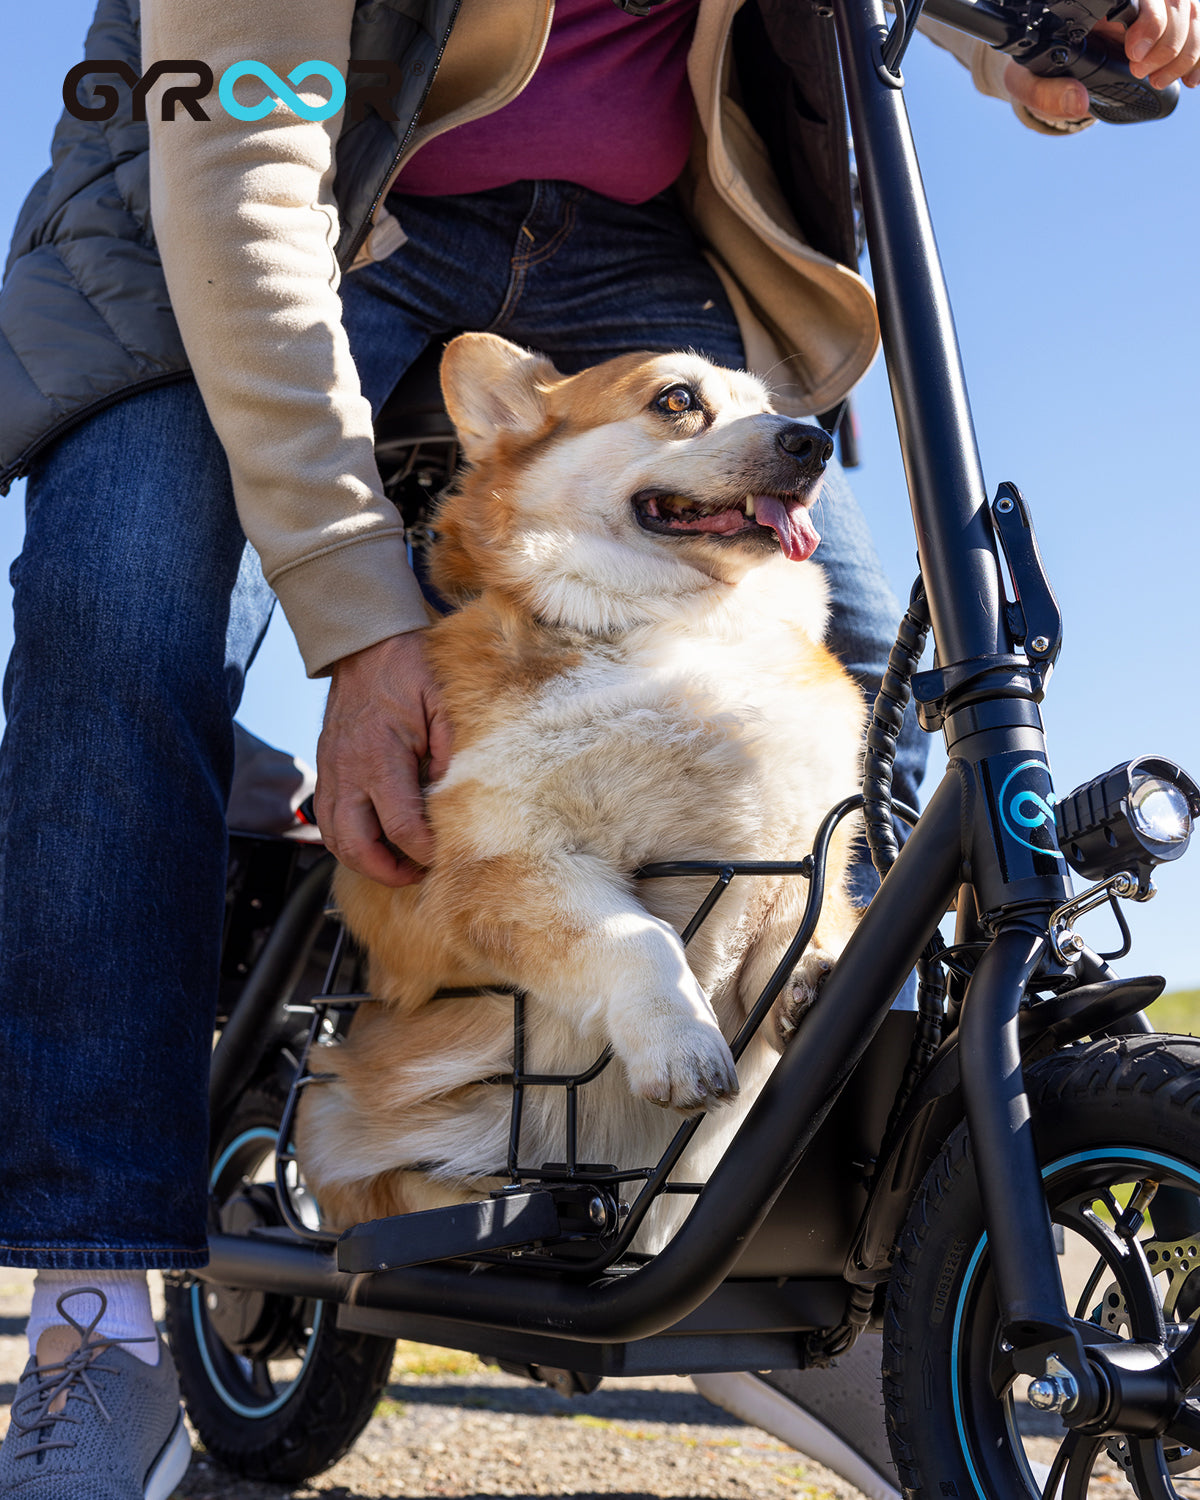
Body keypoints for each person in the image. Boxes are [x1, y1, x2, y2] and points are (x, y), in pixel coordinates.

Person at [0, 1, 1196, 1496]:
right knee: (117, 609)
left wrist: (1033, 27)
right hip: (281, 209)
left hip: (631, 236)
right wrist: (368, 630)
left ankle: (799, 1247)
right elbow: (244, 157)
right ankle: (92, 1327)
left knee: (872, 673)